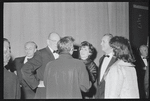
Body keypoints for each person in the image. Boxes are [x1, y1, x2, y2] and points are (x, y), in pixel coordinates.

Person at [21, 32, 60, 99]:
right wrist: (37, 84)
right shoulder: (41, 53)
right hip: (44, 93)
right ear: (48, 42)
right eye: (54, 41)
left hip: (58, 92)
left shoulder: (61, 54)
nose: (57, 43)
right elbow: (25, 69)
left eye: (58, 41)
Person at [95, 33, 117, 99]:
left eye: (103, 42)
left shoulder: (117, 60)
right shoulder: (101, 59)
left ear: (111, 44)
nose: (101, 44)